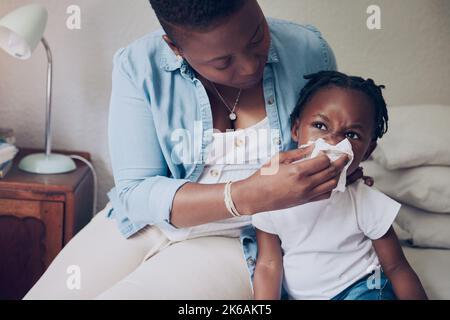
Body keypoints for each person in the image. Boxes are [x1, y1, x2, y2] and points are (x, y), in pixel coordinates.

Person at [24, 0, 370, 299]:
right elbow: (135, 194)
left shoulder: (308, 50)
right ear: (175, 48)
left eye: (257, 38)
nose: (251, 66)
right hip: (144, 224)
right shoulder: (138, 66)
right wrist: (247, 193)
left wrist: (344, 166)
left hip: (238, 238)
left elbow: (332, 138)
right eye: (223, 63)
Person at [252, 71, 428, 300]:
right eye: (320, 125)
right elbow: (268, 265)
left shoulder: (364, 199)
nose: (334, 141)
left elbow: (396, 267)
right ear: (296, 129)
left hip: (361, 288)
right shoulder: (271, 197)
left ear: (368, 151)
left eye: (352, 134)